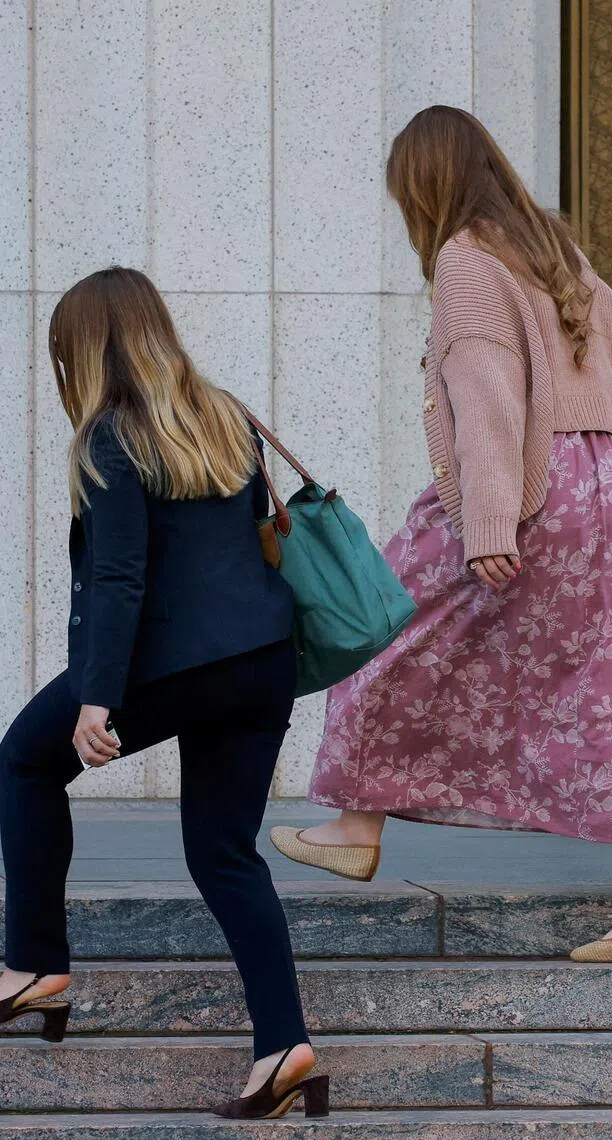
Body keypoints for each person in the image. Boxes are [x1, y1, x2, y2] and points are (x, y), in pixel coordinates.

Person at [271, 105, 612, 962]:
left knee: (382, 624)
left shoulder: (466, 259)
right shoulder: (554, 249)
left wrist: (487, 520)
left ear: (425, 184)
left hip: (525, 486)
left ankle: (358, 823)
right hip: (608, 495)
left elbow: (490, 396)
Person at [0, 268, 327, 1119]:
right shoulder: (223, 415)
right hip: (261, 662)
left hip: (172, 666)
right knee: (226, 854)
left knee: (24, 765)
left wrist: (98, 698)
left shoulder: (113, 436)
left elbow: (119, 577)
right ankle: (285, 1047)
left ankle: (35, 962)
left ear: (89, 349)